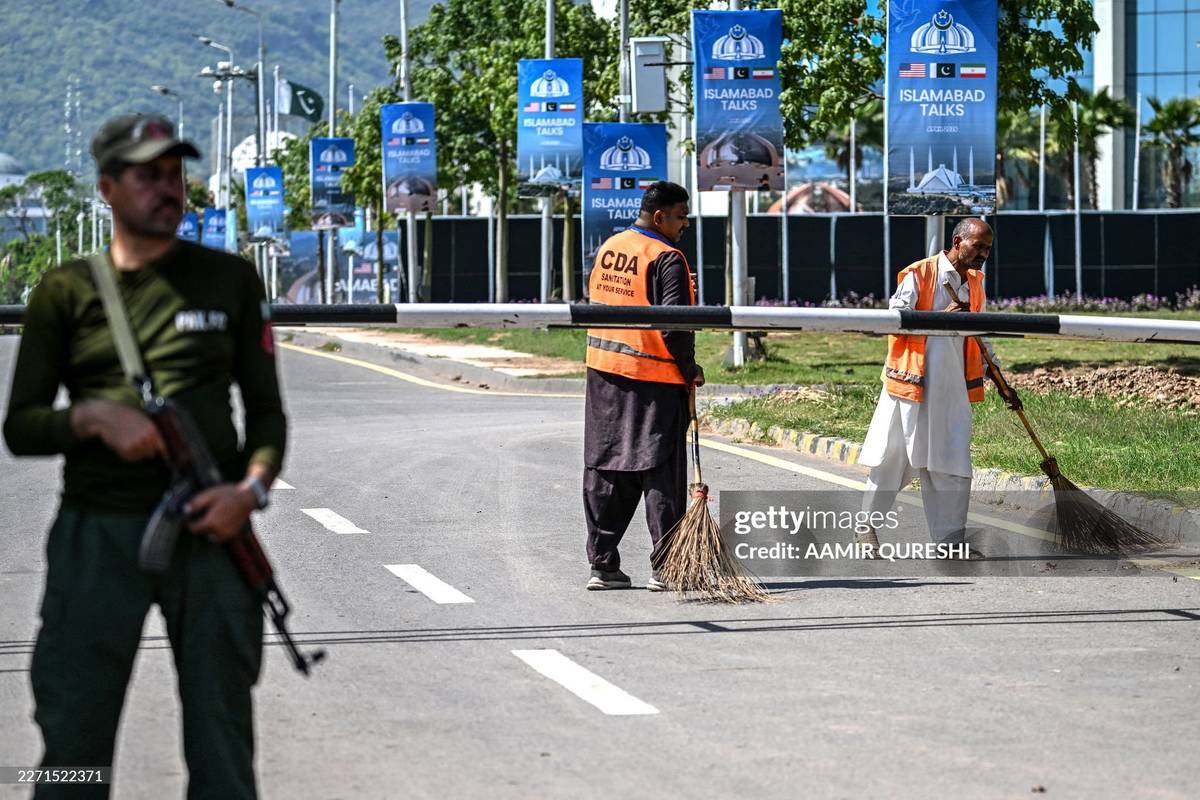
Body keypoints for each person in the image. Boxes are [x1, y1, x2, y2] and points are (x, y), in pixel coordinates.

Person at [3, 113, 287, 799]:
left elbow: (267, 415)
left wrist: (246, 493)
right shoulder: (65, 292)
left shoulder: (231, 281)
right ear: (107, 188)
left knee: (223, 747)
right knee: (73, 743)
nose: (167, 188)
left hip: (213, 534)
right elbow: (22, 427)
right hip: (98, 537)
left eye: (175, 175)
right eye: (147, 175)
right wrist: (92, 419)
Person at [855, 218, 1017, 551]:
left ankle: (949, 541)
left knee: (953, 464)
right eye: (979, 246)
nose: (984, 253)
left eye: (988, 248)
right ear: (958, 241)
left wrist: (999, 378)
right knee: (892, 460)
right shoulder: (920, 273)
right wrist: (943, 316)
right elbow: (894, 319)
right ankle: (864, 528)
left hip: (951, 393)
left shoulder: (974, 283)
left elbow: (979, 338)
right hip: (911, 390)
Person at [583, 181, 705, 591]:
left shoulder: (610, 247)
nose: (685, 224)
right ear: (659, 217)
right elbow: (676, 324)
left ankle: (603, 565)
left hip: (603, 374)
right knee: (660, 473)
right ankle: (666, 567)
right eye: (681, 216)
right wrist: (689, 369)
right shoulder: (666, 257)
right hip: (653, 379)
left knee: (607, 466)